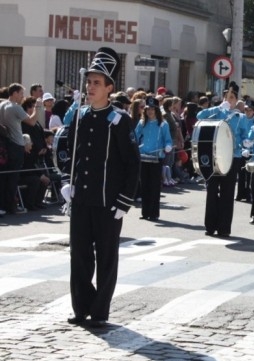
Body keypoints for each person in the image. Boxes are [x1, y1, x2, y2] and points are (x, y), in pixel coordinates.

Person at [66, 47, 140, 328]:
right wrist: (67, 183)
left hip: (109, 201)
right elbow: (71, 153)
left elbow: (132, 164)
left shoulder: (120, 120)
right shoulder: (81, 116)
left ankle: (99, 311)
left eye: (97, 83)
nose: (90, 87)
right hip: (82, 198)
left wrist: (124, 201)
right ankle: (81, 307)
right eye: (89, 82)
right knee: (79, 254)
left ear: (110, 87)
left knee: (106, 257)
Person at [196, 82, 249, 236]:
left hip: (233, 157)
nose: (229, 100)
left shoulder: (241, 117)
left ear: (236, 100)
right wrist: (218, 108)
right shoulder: (217, 112)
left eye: (232, 97)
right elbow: (200, 116)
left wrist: (246, 144)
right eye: (227, 97)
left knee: (227, 192)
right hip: (215, 156)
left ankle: (224, 228)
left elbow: (245, 136)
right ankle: (210, 226)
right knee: (212, 190)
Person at [0, 83, 40, 214]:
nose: (23, 97)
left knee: (4, 177)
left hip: (5, 144)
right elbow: (32, 122)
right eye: (21, 93)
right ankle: (11, 206)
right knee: (13, 177)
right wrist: (37, 108)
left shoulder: (2, 105)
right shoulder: (15, 107)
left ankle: (4, 206)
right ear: (15, 93)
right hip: (16, 145)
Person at [135, 95, 172, 220]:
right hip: (144, 157)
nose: (150, 111)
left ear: (157, 110)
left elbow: (168, 140)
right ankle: (145, 213)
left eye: (153, 109)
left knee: (155, 186)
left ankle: (154, 213)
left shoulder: (163, 124)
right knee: (144, 185)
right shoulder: (142, 122)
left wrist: (168, 147)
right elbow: (135, 136)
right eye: (148, 109)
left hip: (157, 158)